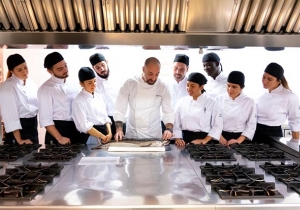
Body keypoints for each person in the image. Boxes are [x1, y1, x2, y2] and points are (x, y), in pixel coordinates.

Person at [113, 57, 174, 140]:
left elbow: (168, 112)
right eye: (150, 74)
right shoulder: (129, 84)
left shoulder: (163, 87)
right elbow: (119, 109)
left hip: (154, 135)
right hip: (133, 134)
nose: (153, 78)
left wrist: (169, 129)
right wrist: (119, 130)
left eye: (157, 74)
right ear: (143, 69)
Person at [38, 52, 86, 145]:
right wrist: (59, 138)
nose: (65, 70)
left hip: (75, 129)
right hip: (58, 131)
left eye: (65, 66)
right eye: (60, 69)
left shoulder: (73, 84)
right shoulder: (45, 89)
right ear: (49, 71)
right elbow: (46, 120)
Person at [253, 62, 300, 144]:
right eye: (263, 77)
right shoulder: (261, 94)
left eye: (269, 79)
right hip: (254, 134)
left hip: (272, 137)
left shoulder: (289, 96)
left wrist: (295, 147)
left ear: (279, 81)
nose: (265, 81)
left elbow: (295, 121)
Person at [174, 72, 223, 146]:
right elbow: (176, 124)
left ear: (201, 87)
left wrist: (204, 141)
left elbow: (217, 126)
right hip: (183, 140)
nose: (189, 89)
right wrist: (178, 139)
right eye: (187, 85)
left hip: (204, 140)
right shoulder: (181, 102)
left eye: (193, 86)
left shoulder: (212, 103)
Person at [0, 54, 38, 144]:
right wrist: (19, 140)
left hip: (32, 127)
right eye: (19, 70)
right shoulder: (7, 86)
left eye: (26, 67)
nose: (25, 72)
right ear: (12, 71)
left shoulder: (31, 83)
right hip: (18, 131)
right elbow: (11, 116)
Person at [72, 67, 112, 144]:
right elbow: (83, 125)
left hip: (105, 135)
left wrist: (109, 134)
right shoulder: (78, 101)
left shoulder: (99, 96)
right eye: (90, 82)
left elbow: (106, 118)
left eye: (95, 81)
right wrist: (101, 136)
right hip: (91, 137)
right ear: (81, 84)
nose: (94, 85)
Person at [216, 71, 257, 145]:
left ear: (242, 87)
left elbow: (251, 125)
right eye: (228, 85)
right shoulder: (219, 99)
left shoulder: (249, 101)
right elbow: (213, 121)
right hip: (220, 136)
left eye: (234, 87)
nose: (230, 89)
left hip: (239, 138)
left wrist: (238, 141)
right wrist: (219, 137)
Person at [89, 53, 118, 139]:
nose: (102, 69)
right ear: (93, 68)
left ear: (107, 62)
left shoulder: (118, 79)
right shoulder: (93, 84)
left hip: (119, 120)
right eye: (97, 67)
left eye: (103, 65)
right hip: (104, 123)